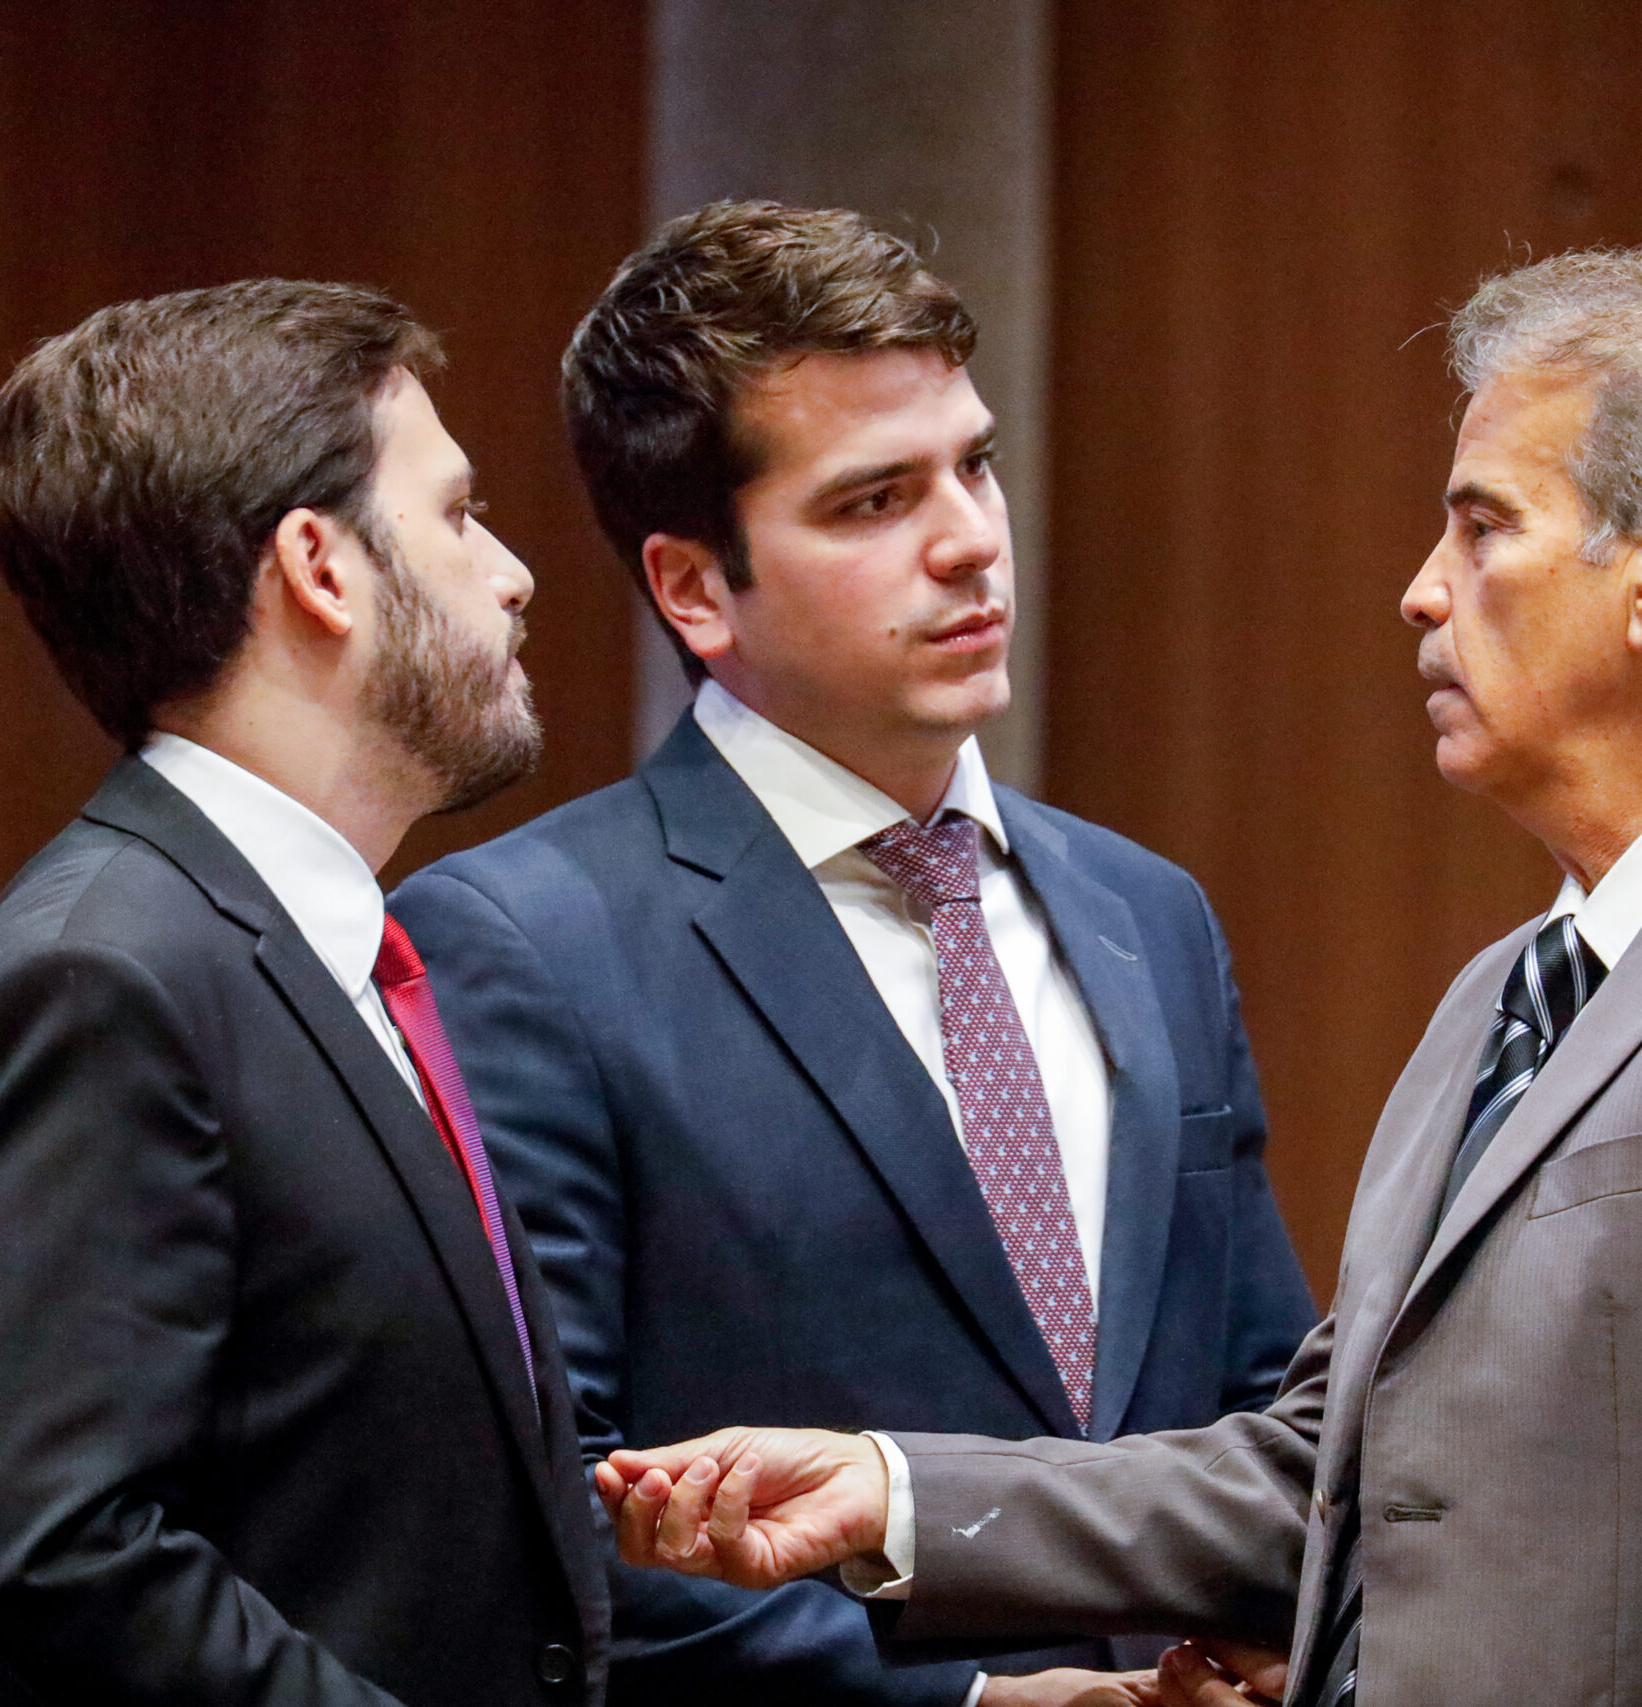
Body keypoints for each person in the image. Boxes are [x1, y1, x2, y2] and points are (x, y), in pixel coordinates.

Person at [589, 248, 1642, 1707]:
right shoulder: (1506, 989)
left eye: (1483, 528)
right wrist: (891, 1493)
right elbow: (1326, 1469)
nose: (1422, 594)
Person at [387, 201, 1314, 1707]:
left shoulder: (1152, 913)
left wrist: (1271, 1642)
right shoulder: (520, 945)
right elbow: (542, 1515)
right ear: (695, 589)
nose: (969, 540)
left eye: (975, 464)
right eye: (874, 501)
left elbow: (1268, 1407)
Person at [0, 280, 605, 1706]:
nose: (515, 571)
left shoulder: (330, 948)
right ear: (321, 567)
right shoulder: (100, 974)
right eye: (460, 515)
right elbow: (62, 1556)